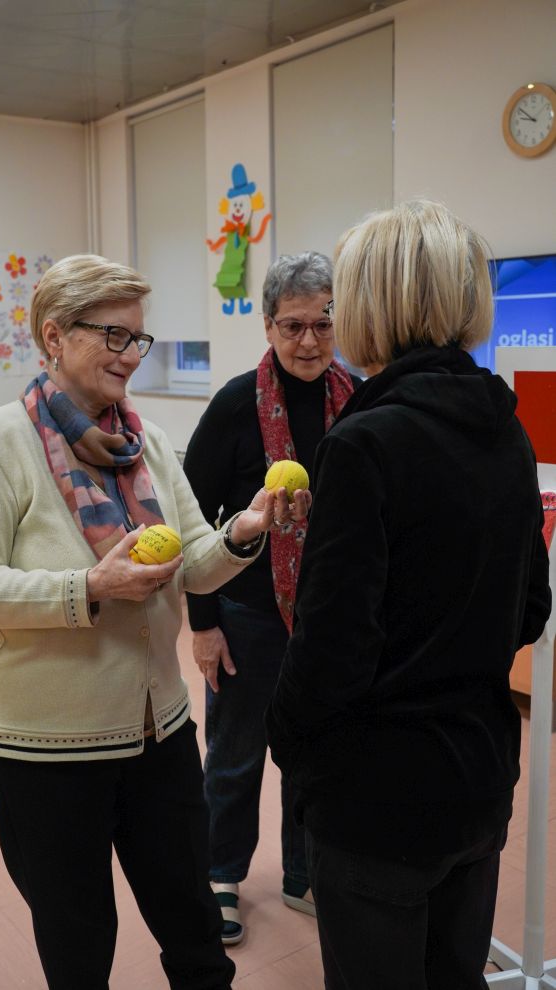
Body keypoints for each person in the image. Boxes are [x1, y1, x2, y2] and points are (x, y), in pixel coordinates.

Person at [0, 254, 304, 990]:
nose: (131, 357)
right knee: (80, 949)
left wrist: (244, 532)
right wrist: (88, 588)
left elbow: (196, 561)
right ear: (54, 336)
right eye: (113, 336)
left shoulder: (148, 441)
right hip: (45, 751)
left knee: (197, 936)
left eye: (138, 339)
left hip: (161, 735)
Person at [266, 201, 552, 990]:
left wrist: (288, 744)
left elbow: (331, 649)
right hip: (480, 776)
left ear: (370, 303)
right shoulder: (508, 429)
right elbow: (532, 606)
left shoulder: (363, 442)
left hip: (377, 801)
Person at [183, 252, 358, 944]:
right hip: (248, 613)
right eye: (293, 326)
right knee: (234, 754)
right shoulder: (234, 403)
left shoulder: (361, 395)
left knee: (313, 750)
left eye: (322, 323)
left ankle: (303, 873)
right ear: (267, 325)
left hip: (329, 616)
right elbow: (192, 521)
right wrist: (203, 626)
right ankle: (220, 875)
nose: (309, 341)